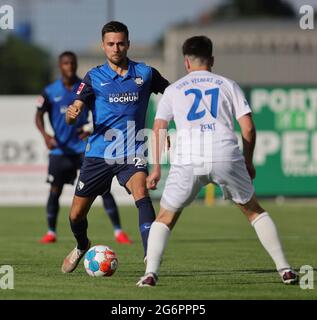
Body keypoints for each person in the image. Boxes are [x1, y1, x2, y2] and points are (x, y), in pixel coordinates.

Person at [137, 36, 298, 287]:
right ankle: (285, 269)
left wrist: (156, 168)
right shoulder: (228, 84)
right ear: (211, 60)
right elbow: (249, 129)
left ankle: (150, 274)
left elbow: (159, 129)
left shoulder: (173, 90)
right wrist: (248, 161)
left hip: (188, 158)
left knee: (165, 217)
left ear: (186, 63)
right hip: (224, 153)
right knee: (254, 212)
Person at [61, 21, 169, 273]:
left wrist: (165, 123)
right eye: (111, 43)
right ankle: (81, 244)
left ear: (128, 44)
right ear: (103, 46)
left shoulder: (145, 73)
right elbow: (72, 112)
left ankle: (150, 258)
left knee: (142, 194)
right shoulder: (94, 77)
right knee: (76, 216)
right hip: (99, 154)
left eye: (120, 43)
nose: (116, 48)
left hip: (132, 151)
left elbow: (172, 94)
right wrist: (72, 113)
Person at [35, 51, 132, 245]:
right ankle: (51, 232)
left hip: (84, 148)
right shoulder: (50, 91)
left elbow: (101, 112)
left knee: (104, 190)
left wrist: (89, 127)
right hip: (60, 150)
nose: (69, 67)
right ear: (60, 66)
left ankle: (118, 231)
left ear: (76, 64)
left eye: (72, 63)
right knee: (55, 190)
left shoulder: (86, 86)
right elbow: (38, 115)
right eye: (65, 64)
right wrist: (46, 135)